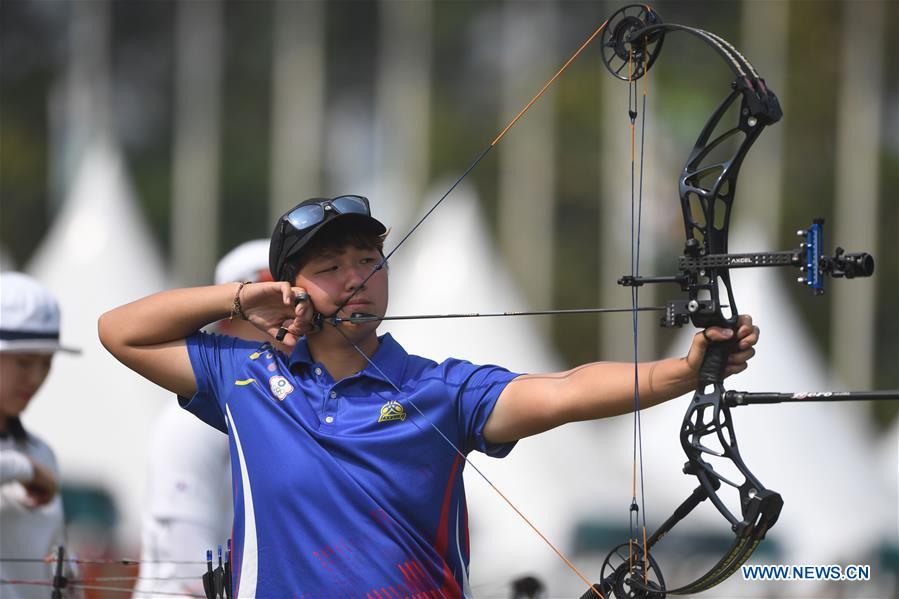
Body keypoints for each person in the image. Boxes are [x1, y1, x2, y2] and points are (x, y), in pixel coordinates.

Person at [99, 195, 759, 597]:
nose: (356, 278)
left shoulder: (438, 389)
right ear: (291, 286)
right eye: (330, 267)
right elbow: (118, 331)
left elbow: (563, 390)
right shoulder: (244, 378)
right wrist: (242, 297)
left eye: (368, 260)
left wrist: (684, 372)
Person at [133, 239, 281, 598]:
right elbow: (191, 570)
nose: (291, 319)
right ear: (231, 318)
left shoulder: (279, 404)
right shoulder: (189, 422)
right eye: (271, 304)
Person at [1, 272, 79, 597]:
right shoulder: (32, 462)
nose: (35, 378)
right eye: (23, 362)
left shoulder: (40, 452)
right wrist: (27, 470)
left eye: (46, 363)